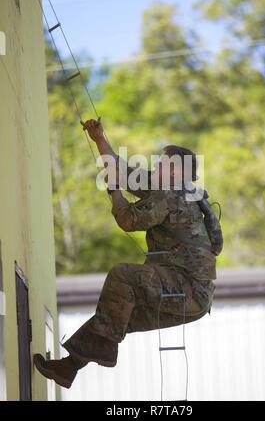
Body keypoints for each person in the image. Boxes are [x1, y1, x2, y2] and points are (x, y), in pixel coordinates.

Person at [34, 119, 222, 389]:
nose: (156, 166)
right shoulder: (182, 192)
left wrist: (114, 191)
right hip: (195, 300)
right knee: (115, 315)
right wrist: (99, 139)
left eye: (162, 163)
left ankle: (104, 354)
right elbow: (121, 171)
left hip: (186, 290)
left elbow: (128, 220)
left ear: (175, 171)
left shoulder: (172, 195)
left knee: (122, 275)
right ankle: (68, 368)